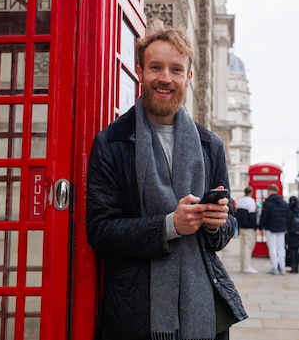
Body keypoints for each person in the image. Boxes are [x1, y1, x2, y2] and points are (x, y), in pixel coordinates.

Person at [86, 20, 247, 340]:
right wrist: (169, 225)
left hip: (203, 308)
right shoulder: (112, 143)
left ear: (188, 76)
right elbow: (100, 231)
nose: (165, 78)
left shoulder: (209, 145)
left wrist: (216, 223)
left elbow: (229, 227)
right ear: (140, 72)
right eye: (156, 67)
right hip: (135, 313)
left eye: (176, 69)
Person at [258, 184, 290, 275]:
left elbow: (264, 216)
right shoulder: (283, 202)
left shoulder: (268, 202)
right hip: (281, 228)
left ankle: (274, 267)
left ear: (269, 191)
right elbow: (288, 216)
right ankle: (282, 268)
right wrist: (286, 227)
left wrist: (260, 227)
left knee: (272, 248)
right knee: (281, 248)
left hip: (270, 228)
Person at [235, 186, 258, 274]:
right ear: (251, 192)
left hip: (241, 227)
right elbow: (252, 216)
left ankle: (243, 265)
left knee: (242, 247)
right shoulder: (250, 201)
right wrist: (255, 227)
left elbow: (236, 214)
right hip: (249, 228)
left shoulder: (240, 200)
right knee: (248, 247)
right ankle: (247, 266)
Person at [285, 196, 299, 273]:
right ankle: (297, 267)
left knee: (292, 250)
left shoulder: (288, 209)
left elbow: (287, 221)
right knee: (297, 250)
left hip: (291, 232)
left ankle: (293, 266)